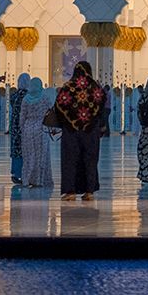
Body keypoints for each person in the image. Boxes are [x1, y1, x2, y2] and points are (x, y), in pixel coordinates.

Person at [55, 60, 107, 201]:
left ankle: (70, 191)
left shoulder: (68, 87)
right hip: (90, 131)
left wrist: (67, 122)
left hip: (71, 132)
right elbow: (102, 106)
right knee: (90, 160)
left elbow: (59, 106)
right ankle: (89, 191)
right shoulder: (95, 87)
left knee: (70, 160)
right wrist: (99, 125)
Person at [19, 76, 54, 191]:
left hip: (28, 129)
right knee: (41, 156)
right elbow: (51, 112)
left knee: (29, 156)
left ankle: (28, 179)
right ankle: (39, 180)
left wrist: (22, 129)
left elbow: (22, 117)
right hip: (41, 128)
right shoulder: (44, 98)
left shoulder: (26, 99)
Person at [8, 73, 33, 184]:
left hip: (15, 128)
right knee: (26, 150)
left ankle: (15, 173)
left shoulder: (14, 96)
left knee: (16, 150)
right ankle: (25, 174)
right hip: (26, 127)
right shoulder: (29, 96)